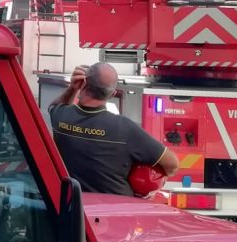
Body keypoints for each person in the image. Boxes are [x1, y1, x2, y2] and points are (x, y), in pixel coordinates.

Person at [47, 63, 179, 196]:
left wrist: (72, 88)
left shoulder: (61, 117)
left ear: (84, 84)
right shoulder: (125, 128)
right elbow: (172, 164)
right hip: (114, 206)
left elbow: (54, 106)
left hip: (71, 203)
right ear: (113, 94)